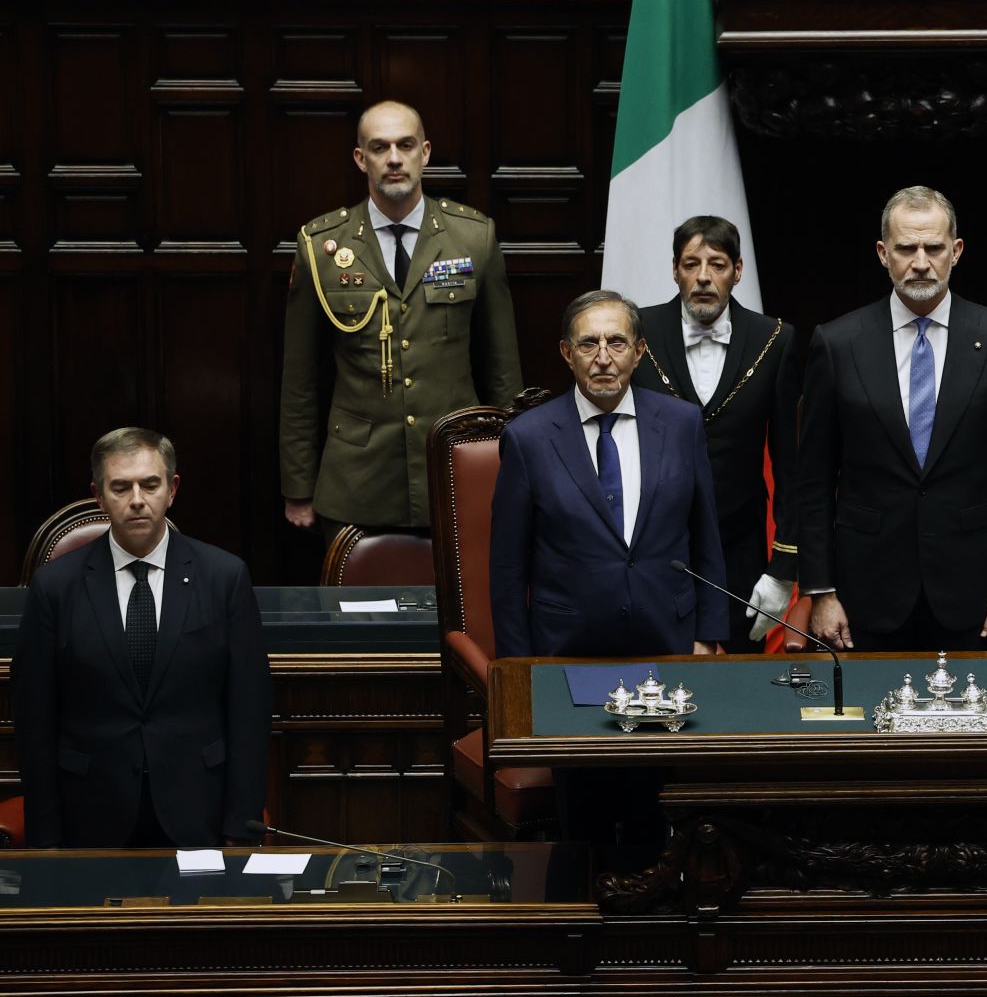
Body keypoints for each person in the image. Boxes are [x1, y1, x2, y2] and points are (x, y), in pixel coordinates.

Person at [795, 185, 987, 651]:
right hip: (864, 590)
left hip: (973, 591)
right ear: (883, 254)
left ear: (957, 251)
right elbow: (813, 482)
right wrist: (820, 591)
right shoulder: (838, 342)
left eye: (934, 247)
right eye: (907, 248)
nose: (921, 262)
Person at [14, 428, 270, 848]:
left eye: (150, 484)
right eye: (121, 486)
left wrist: (239, 829)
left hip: (197, 811)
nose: (137, 499)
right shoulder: (55, 587)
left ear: (172, 489)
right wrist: (46, 840)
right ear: (98, 495)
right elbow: (34, 722)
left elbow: (249, 712)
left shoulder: (224, 578)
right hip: (90, 816)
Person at [280, 100, 523, 539]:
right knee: (356, 607)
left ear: (425, 153)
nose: (394, 158)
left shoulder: (472, 235)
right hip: (358, 478)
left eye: (405, 145)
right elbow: (300, 380)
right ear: (361, 158)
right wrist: (298, 486)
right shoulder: (321, 246)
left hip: (454, 466)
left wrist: (517, 469)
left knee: (457, 606)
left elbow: (502, 370)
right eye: (379, 147)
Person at [490, 291, 728, 660]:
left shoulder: (683, 424)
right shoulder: (528, 439)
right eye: (588, 344)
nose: (603, 358)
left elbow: (706, 538)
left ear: (639, 351)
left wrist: (707, 636)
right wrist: (519, 667)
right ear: (567, 354)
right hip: (565, 649)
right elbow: (507, 570)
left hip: (671, 641)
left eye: (617, 342)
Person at [630, 215, 801, 651]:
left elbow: (791, 462)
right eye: (691, 264)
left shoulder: (775, 339)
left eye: (718, 264)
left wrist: (783, 567)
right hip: (655, 543)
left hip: (740, 545)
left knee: (741, 686)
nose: (704, 277)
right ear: (674, 270)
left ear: (738, 270)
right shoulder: (636, 335)